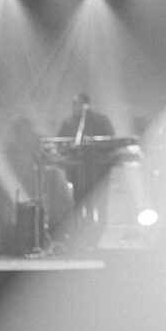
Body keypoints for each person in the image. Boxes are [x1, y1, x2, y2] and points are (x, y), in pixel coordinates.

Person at [55, 92, 116, 248]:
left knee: (101, 205)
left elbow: (112, 142)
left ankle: (97, 238)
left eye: (78, 103)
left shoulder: (101, 121)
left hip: (99, 171)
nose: (75, 107)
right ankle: (82, 237)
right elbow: (59, 145)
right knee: (80, 206)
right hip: (78, 172)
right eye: (74, 104)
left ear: (86, 104)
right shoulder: (68, 123)